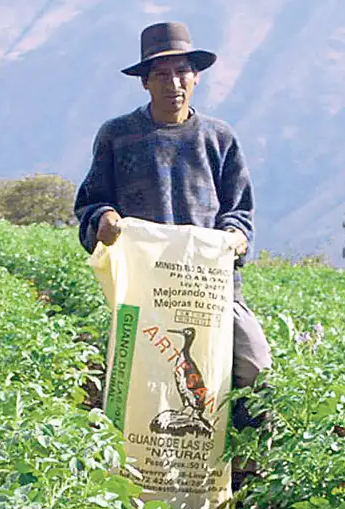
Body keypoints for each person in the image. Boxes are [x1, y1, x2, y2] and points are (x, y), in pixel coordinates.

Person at [73, 21, 272, 427]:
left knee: (255, 368)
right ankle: (128, 458)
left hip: (209, 287)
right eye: (161, 74)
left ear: (196, 77)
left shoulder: (219, 138)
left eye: (182, 72)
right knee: (130, 384)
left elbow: (239, 210)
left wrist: (235, 236)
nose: (173, 83)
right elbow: (91, 203)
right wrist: (104, 220)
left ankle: (245, 457)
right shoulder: (118, 136)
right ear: (145, 82)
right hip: (145, 289)